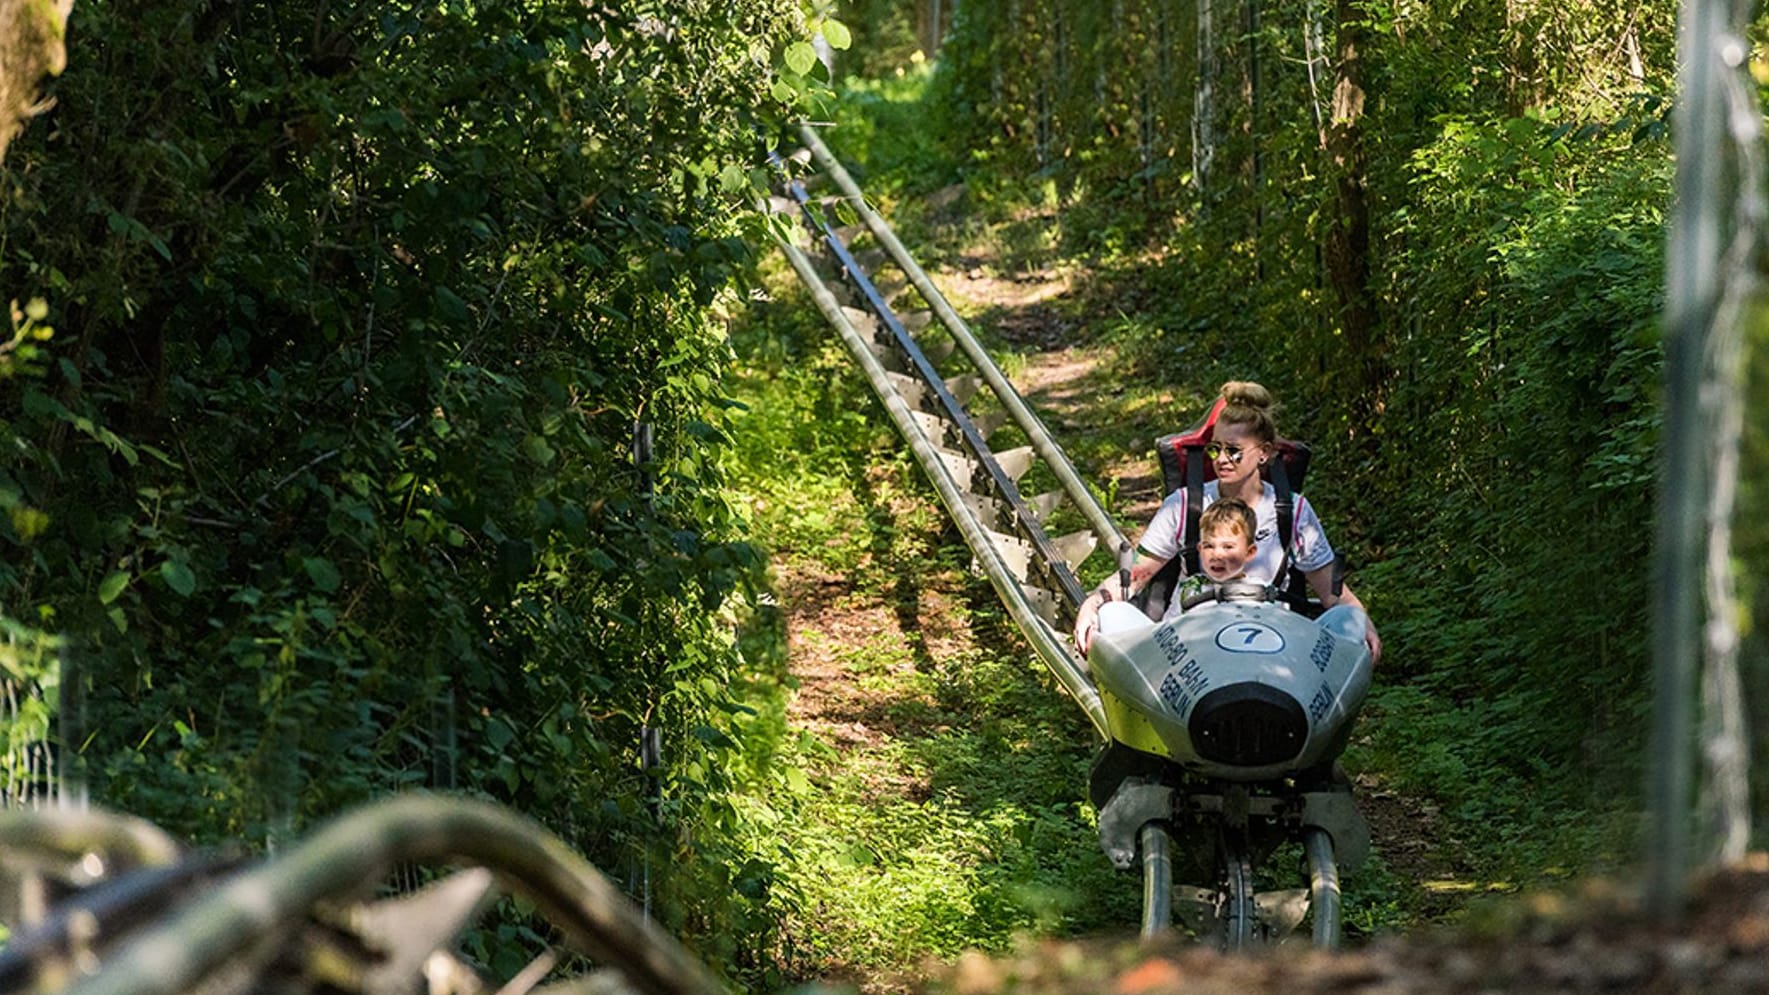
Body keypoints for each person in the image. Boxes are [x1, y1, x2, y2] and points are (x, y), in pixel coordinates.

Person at [1074, 380, 1382, 660]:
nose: (1221, 459)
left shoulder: (1293, 510)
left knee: (1349, 621)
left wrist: (1360, 620)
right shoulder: (1184, 505)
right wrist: (1093, 604)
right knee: (1111, 615)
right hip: (1189, 644)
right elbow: (1135, 576)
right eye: (1215, 449)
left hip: (1275, 643)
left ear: (1264, 453)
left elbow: (1332, 593)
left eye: (1233, 451)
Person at [1173, 498, 1260, 606]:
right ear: (1200, 549)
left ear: (1250, 552)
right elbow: (1172, 622)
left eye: (1228, 547)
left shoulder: (1261, 592)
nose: (1217, 555)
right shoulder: (1190, 588)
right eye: (1209, 546)